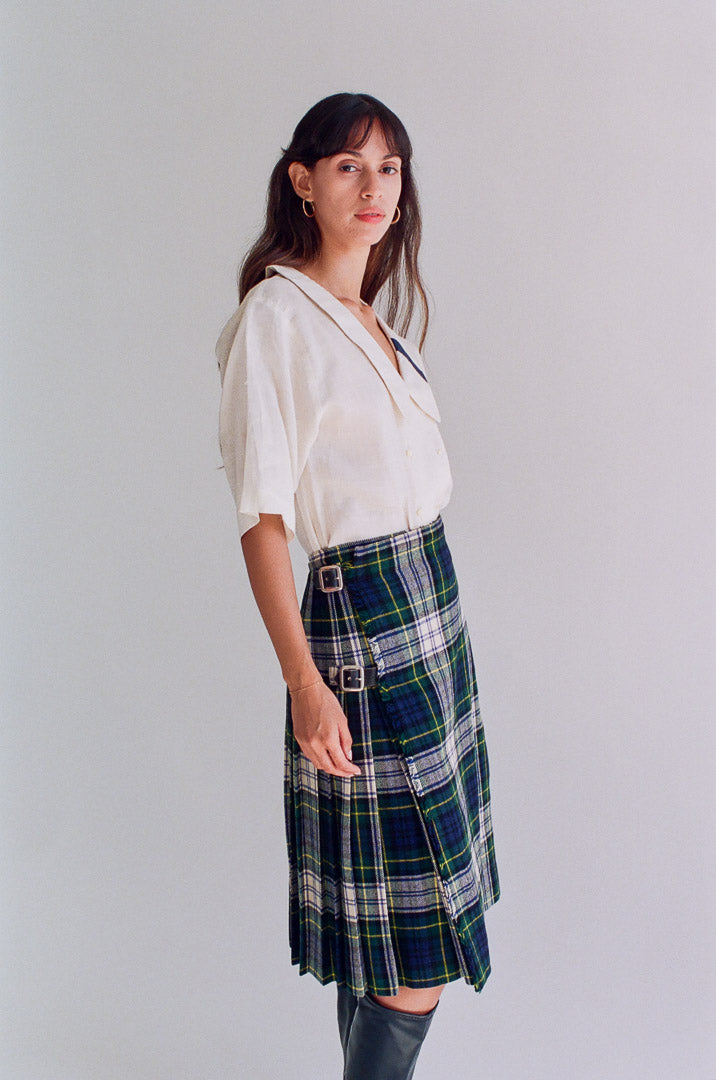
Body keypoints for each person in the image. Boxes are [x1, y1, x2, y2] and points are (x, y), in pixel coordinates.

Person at [216, 91, 500, 1080]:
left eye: (387, 167)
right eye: (348, 166)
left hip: (429, 613)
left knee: (381, 942)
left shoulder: (367, 321)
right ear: (302, 180)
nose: (373, 186)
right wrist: (303, 681)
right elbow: (261, 519)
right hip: (361, 630)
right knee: (409, 948)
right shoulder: (275, 318)